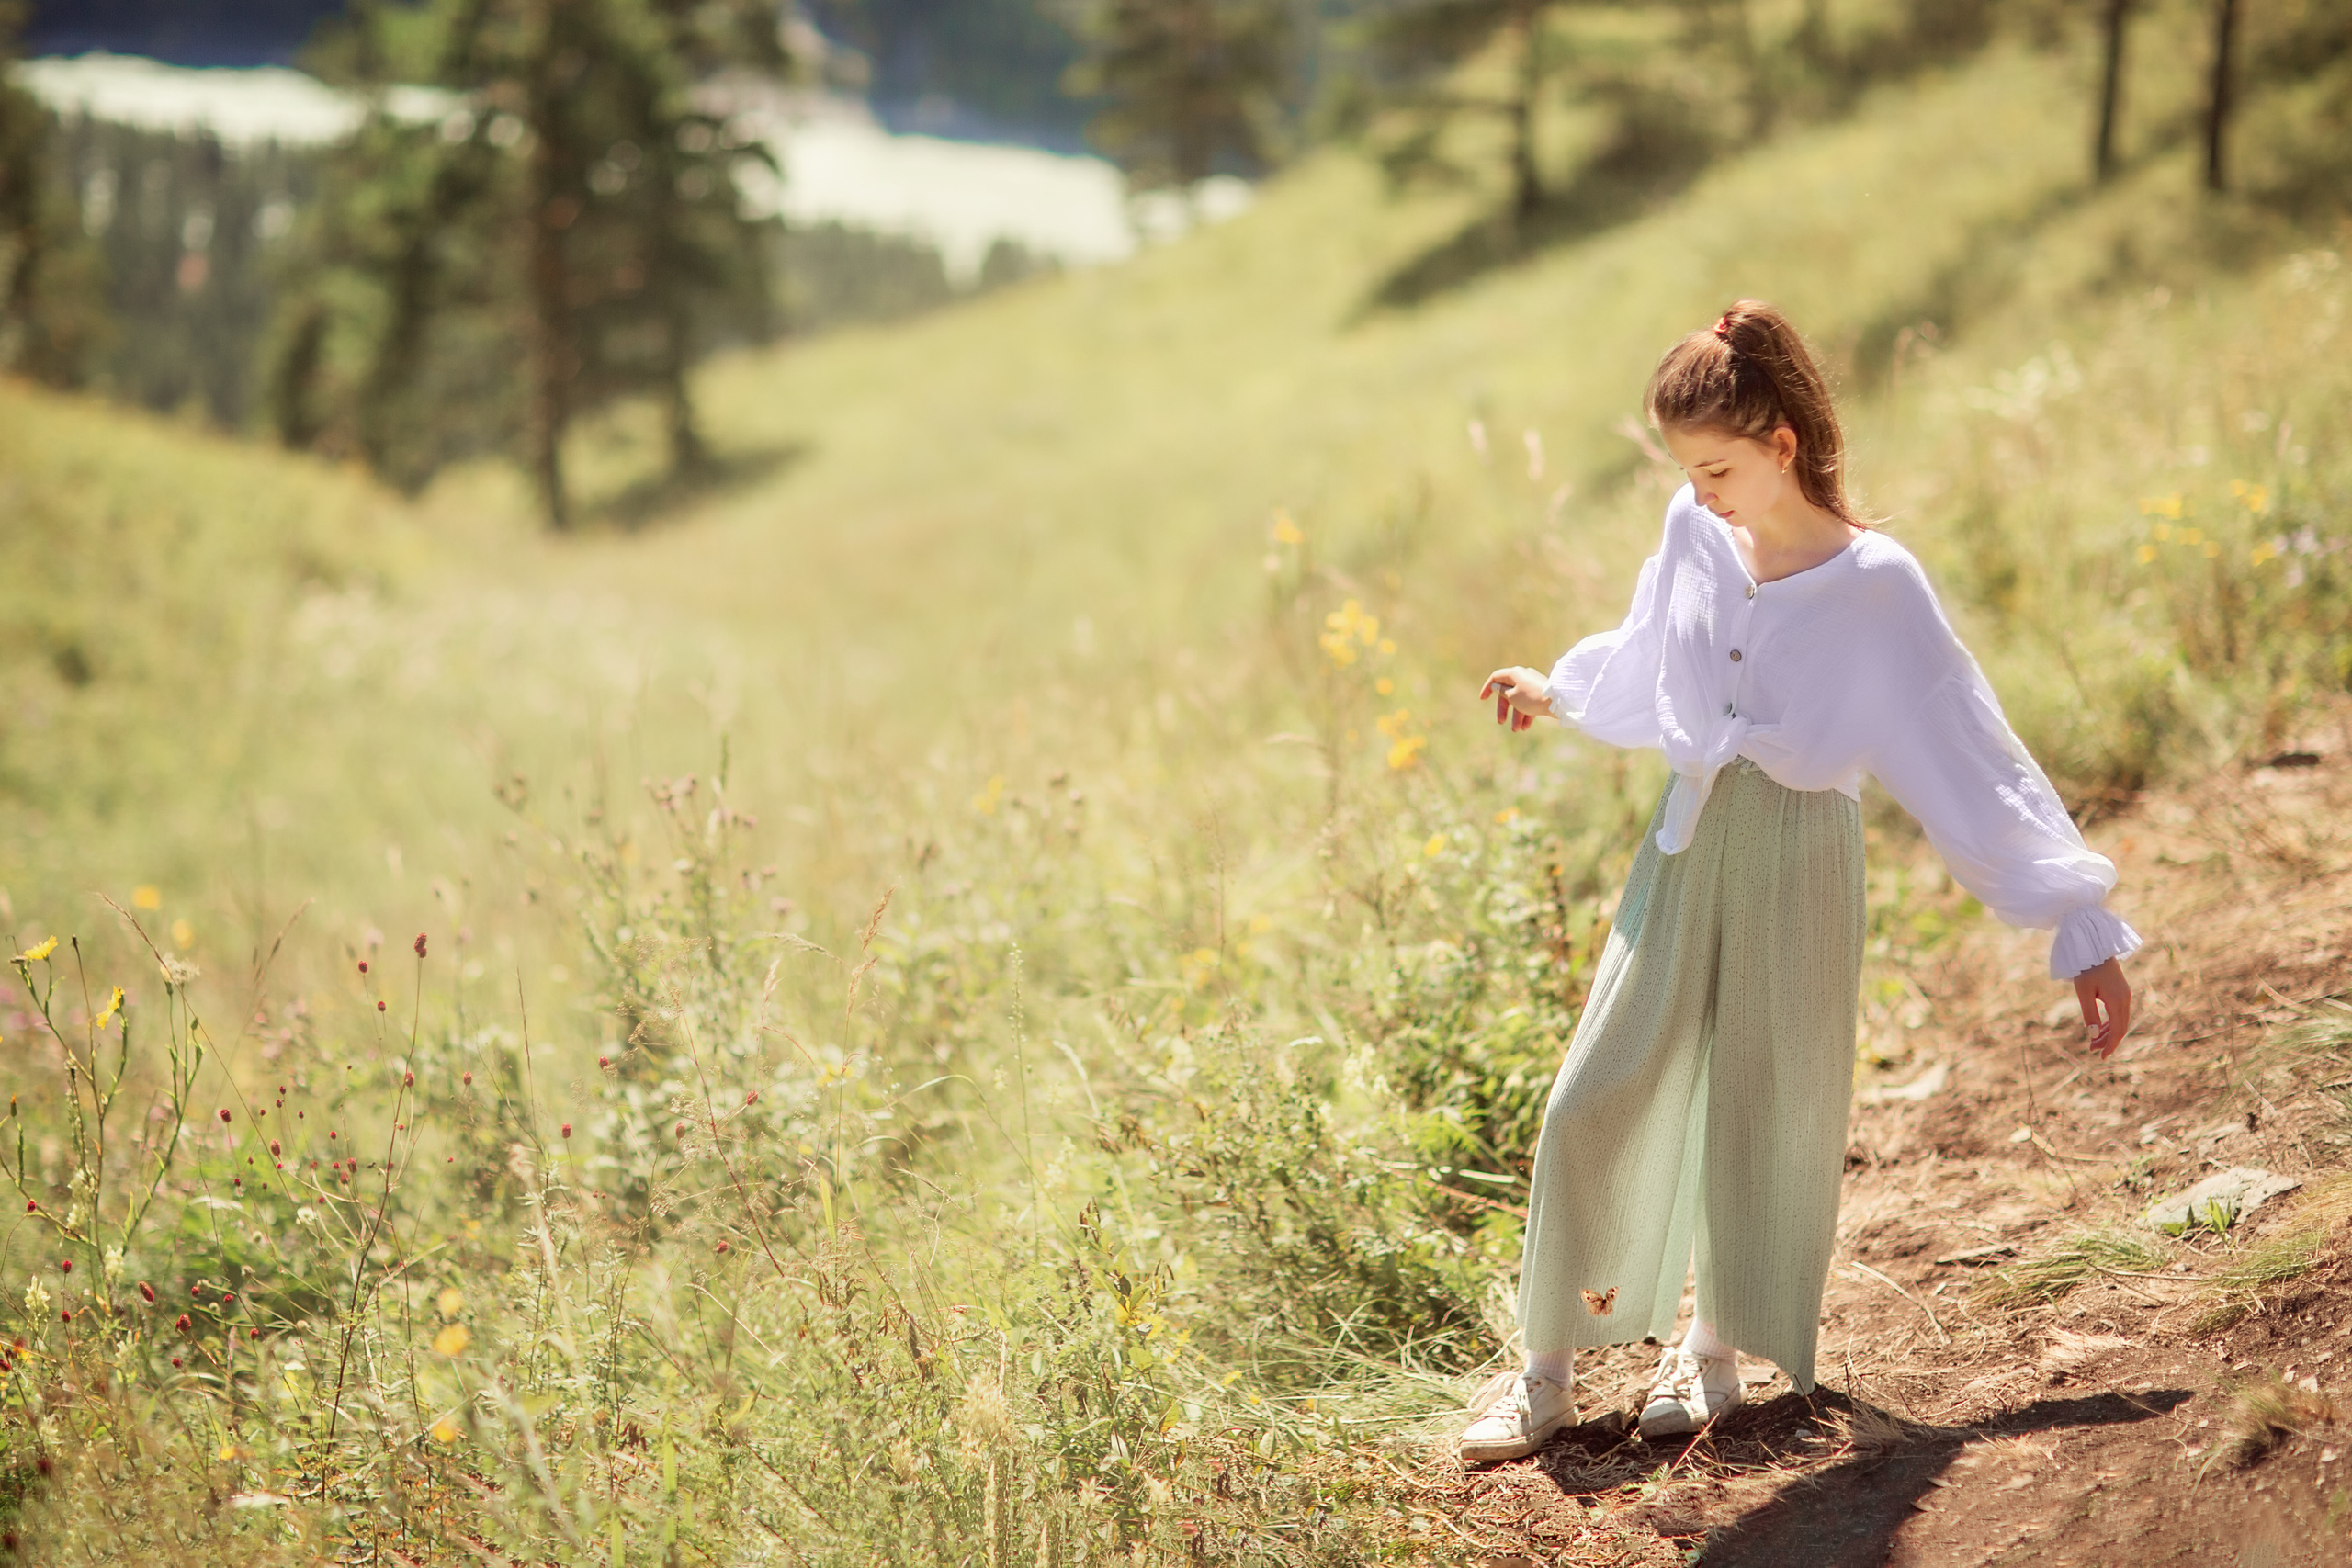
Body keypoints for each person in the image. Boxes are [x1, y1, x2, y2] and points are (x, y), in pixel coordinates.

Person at [1461, 300, 2139, 1462]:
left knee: (1764, 1108)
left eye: (1719, 466)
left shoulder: (1878, 584)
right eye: (1687, 470)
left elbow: (1969, 753)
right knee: (1591, 1093)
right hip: (1688, 841)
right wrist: (1559, 689)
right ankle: (1545, 1375)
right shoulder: (1690, 528)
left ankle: (1714, 1354)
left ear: (1782, 443)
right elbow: (1645, 654)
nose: (1701, 490)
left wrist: (2078, 923)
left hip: (1800, 854)